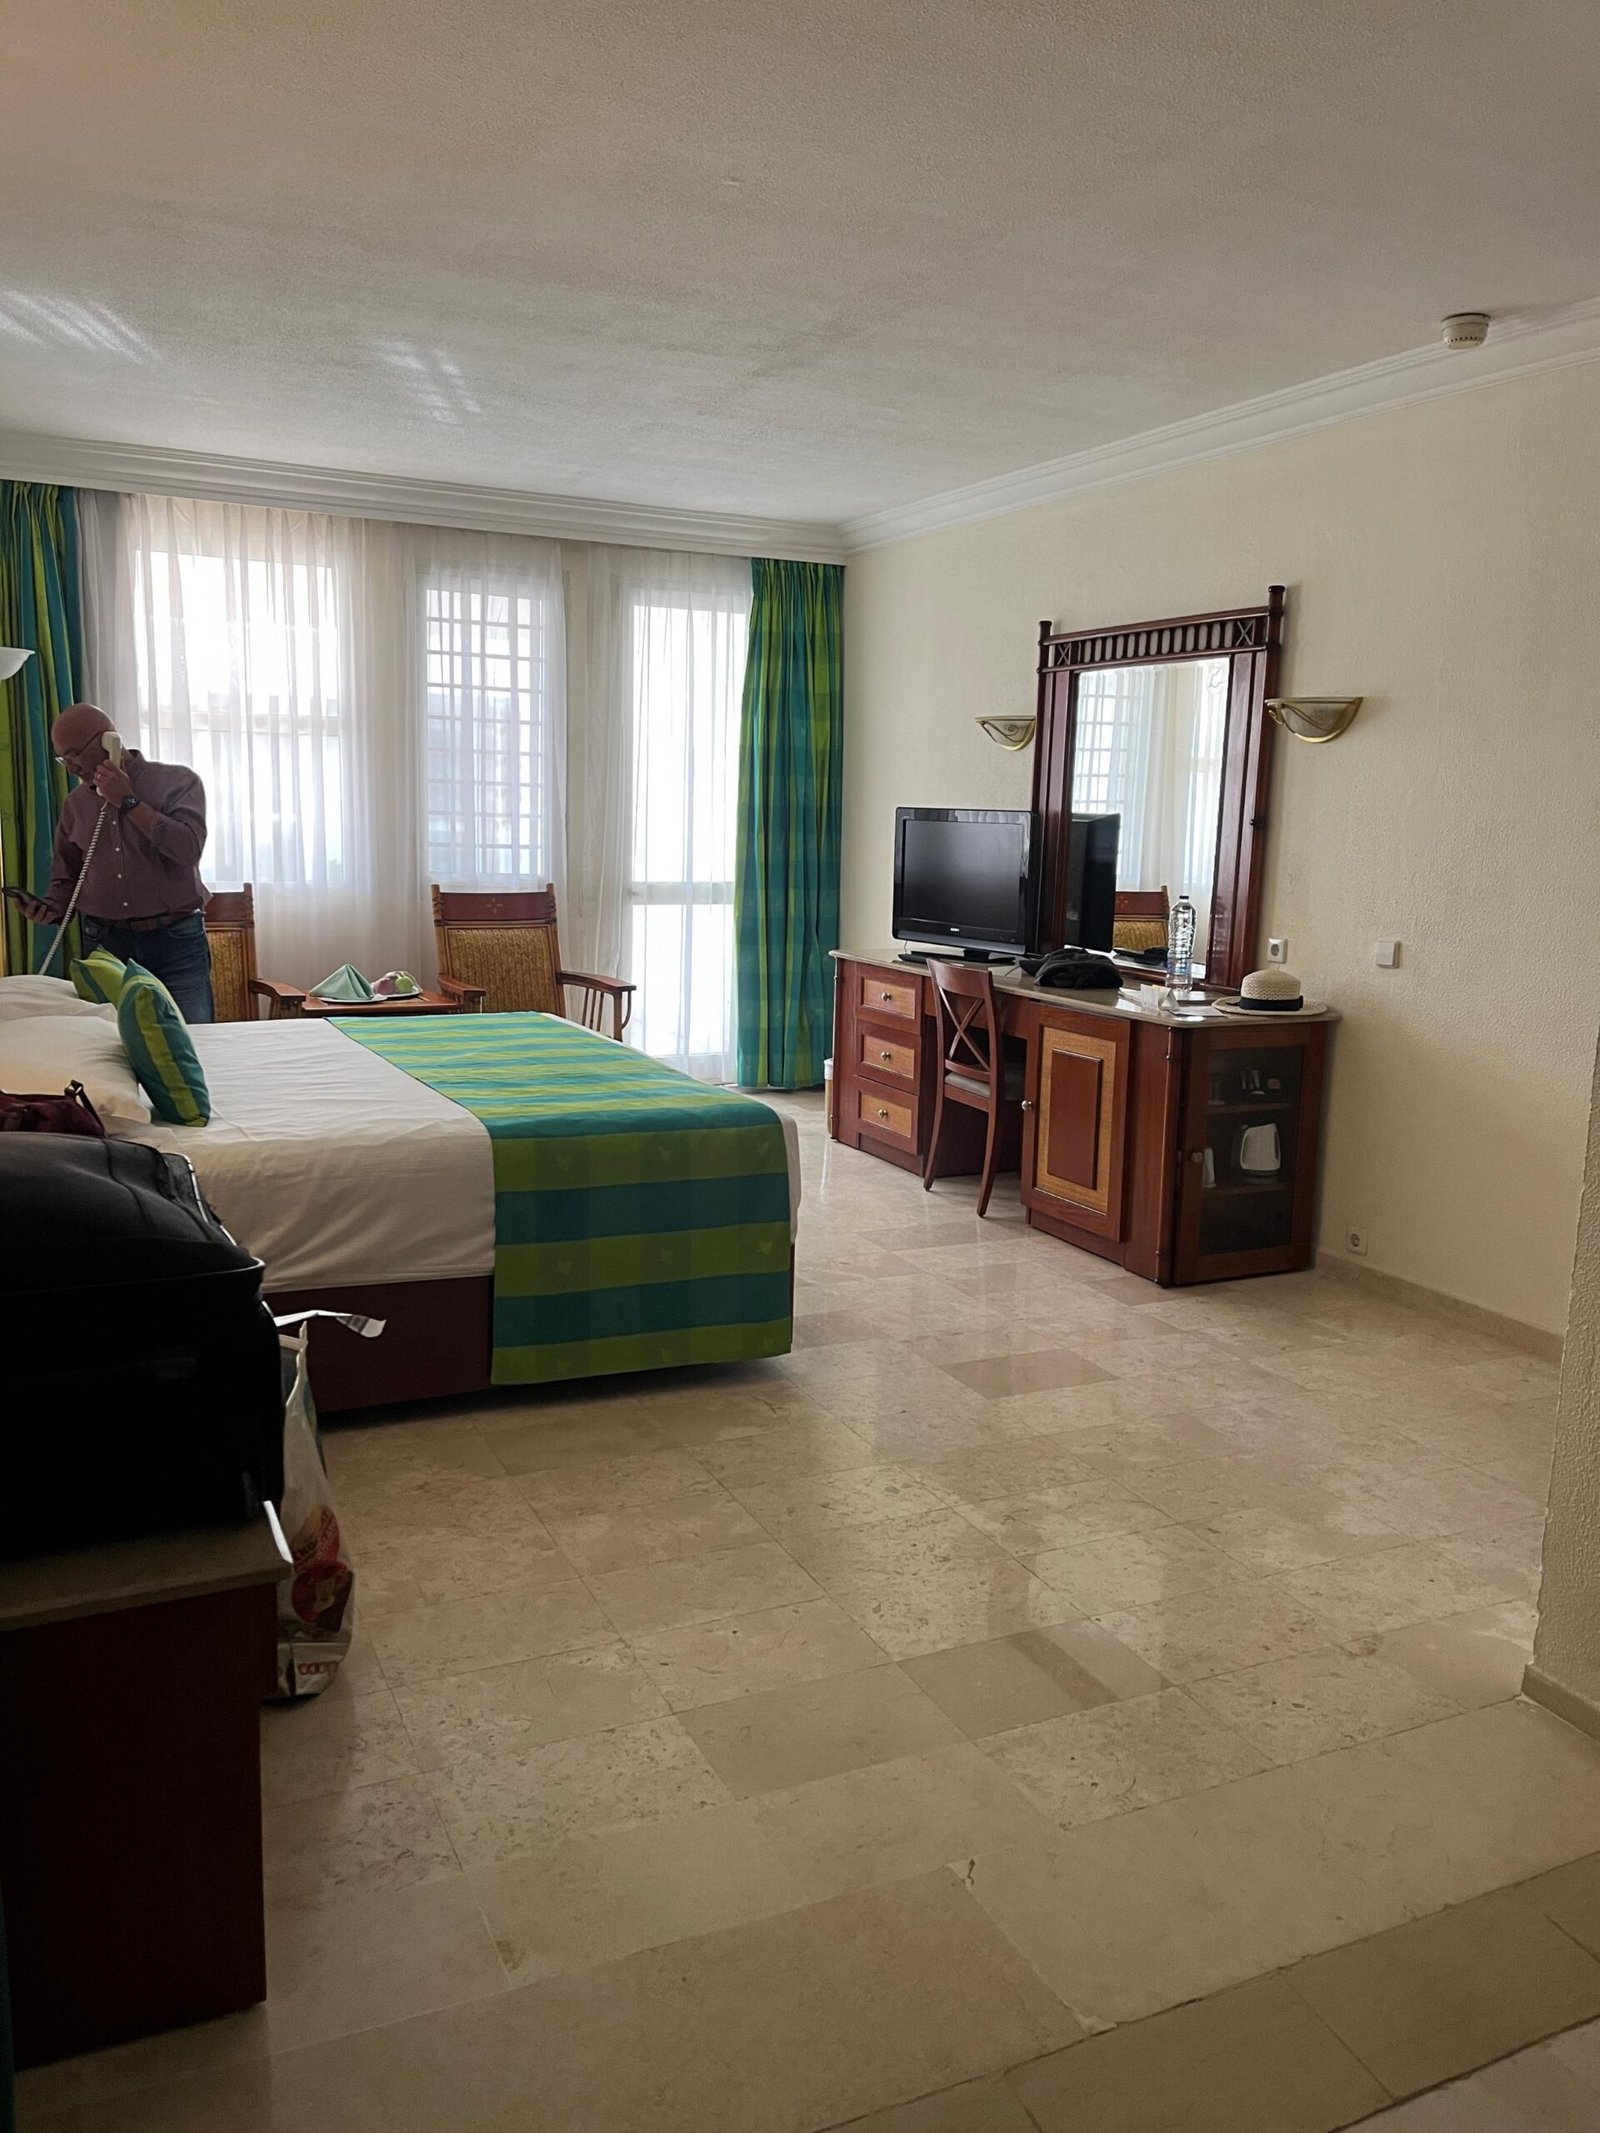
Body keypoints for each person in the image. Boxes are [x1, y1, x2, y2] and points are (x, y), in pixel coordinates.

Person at [14, 704, 215, 1022]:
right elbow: (67, 877)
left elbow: (187, 849)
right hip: (107, 943)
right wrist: (51, 907)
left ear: (108, 740)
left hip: (175, 940)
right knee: (110, 1041)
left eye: (74, 755)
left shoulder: (177, 782)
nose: (71, 768)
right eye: (63, 759)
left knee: (192, 1035)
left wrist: (128, 801)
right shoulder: (76, 804)